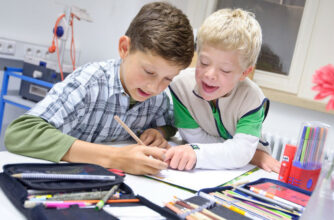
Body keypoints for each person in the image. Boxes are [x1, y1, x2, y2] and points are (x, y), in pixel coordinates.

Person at [4, 2, 194, 175]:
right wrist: (114, 157)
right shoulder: (89, 83)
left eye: (168, 78)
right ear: (124, 48)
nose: (155, 87)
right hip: (63, 178)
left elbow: (170, 123)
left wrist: (159, 132)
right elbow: (20, 133)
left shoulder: (157, 98)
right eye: (148, 71)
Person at [165, 8, 280, 172]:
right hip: (201, 172)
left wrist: (245, 154)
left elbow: (241, 152)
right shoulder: (180, 87)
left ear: (245, 73)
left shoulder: (252, 98)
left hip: (246, 171)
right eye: (204, 62)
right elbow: (194, 138)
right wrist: (248, 153)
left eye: (225, 70)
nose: (210, 75)